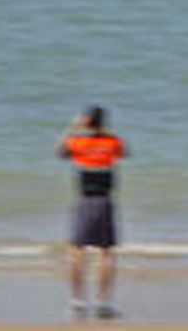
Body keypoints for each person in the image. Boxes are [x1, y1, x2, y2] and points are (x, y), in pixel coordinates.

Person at [56, 106, 126, 317]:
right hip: (105, 201)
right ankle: (103, 303)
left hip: (84, 201)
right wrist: (103, 131)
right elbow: (122, 152)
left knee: (77, 251)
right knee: (106, 253)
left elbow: (60, 152)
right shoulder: (112, 143)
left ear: (86, 121)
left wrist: (73, 128)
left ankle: (77, 301)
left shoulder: (77, 142)